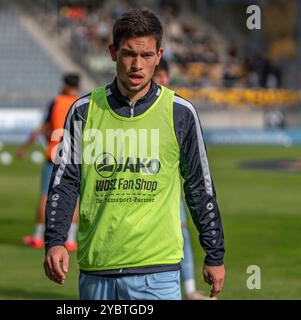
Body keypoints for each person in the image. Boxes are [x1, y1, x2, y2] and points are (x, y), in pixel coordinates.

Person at [44, 8, 225, 300]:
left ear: (159, 54)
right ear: (113, 52)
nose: (137, 65)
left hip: (157, 272)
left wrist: (214, 253)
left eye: (146, 56)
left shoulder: (180, 113)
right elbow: (65, 182)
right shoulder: (83, 112)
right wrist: (55, 240)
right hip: (97, 271)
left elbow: (199, 186)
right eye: (129, 54)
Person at [153, 58, 215, 300]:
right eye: (160, 75)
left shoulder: (176, 110)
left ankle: (187, 288)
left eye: (166, 75)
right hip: (144, 192)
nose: (164, 80)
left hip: (169, 191)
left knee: (182, 234)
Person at [17, 73, 81, 251]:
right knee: (74, 198)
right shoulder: (83, 103)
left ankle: (38, 236)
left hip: (53, 154)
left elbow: (43, 128)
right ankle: (70, 239)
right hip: (75, 156)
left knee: (46, 195)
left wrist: (24, 148)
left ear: (65, 85)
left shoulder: (57, 102)